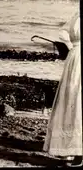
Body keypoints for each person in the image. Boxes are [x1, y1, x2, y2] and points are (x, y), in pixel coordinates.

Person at [44, 11, 82, 167]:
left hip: (74, 56)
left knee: (73, 99)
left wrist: (70, 46)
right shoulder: (76, 15)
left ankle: (74, 151)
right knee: (75, 99)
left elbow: (63, 32)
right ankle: (74, 150)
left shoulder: (76, 15)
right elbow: (63, 33)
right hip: (75, 57)